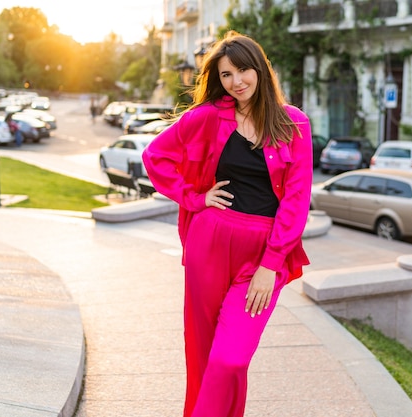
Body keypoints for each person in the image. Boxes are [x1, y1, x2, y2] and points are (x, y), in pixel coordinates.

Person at [142, 31, 312, 417]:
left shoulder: (294, 124)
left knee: (231, 359)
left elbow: (296, 200)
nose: (237, 82)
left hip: (261, 255)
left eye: (243, 70)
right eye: (226, 75)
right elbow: (156, 156)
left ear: (260, 69)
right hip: (210, 242)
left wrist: (272, 264)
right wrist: (195, 198)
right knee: (203, 353)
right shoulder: (208, 116)